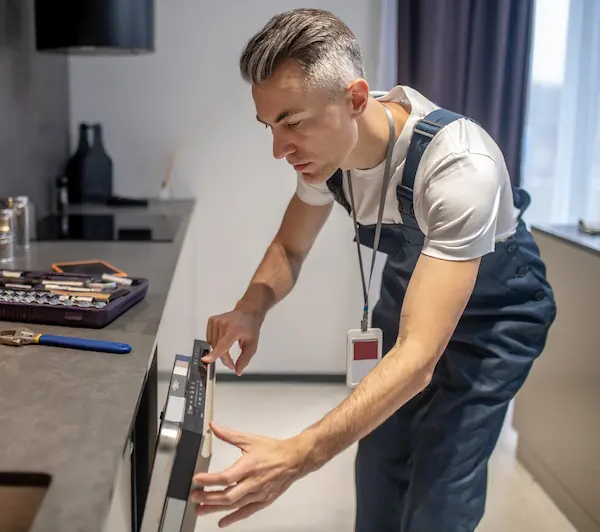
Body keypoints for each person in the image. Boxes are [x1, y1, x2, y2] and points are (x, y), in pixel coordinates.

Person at [190, 8, 557, 532]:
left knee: (441, 485)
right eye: (270, 126)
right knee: (380, 465)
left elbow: (418, 357)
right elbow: (290, 249)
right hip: (412, 292)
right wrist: (251, 308)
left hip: (495, 316)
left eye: (292, 122)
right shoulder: (325, 158)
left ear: (356, 99)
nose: (279, 150)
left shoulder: (459, 168)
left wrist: (298, 455)